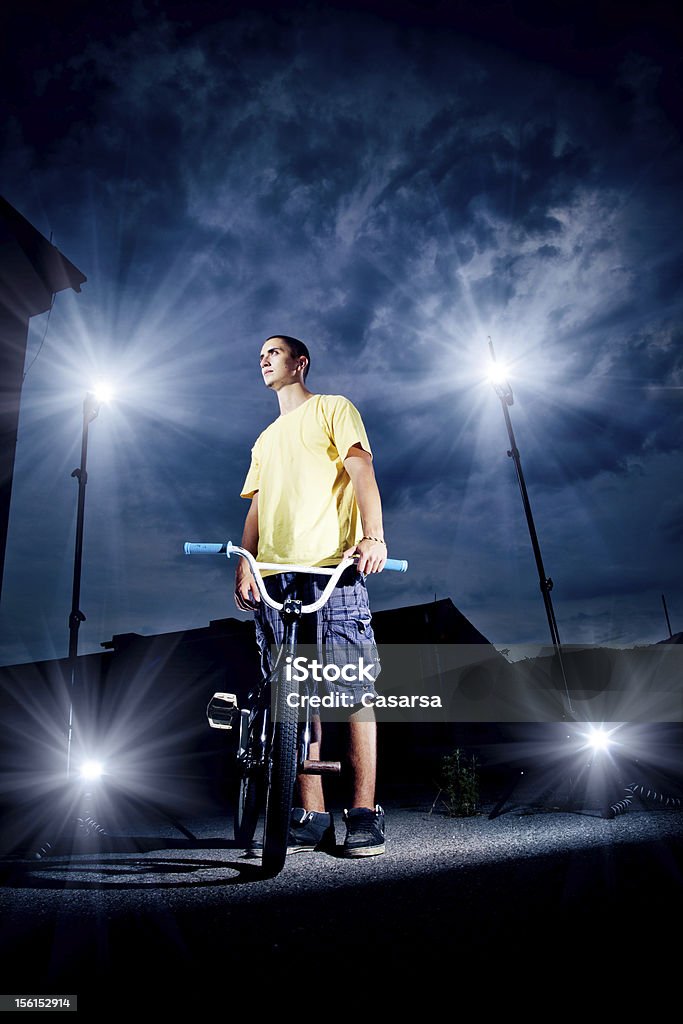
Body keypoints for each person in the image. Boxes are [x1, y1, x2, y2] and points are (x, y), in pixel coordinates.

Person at [235, 334, 387, 857]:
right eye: (260, 355)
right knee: (296, 699)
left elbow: (360, 467)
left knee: (353, 693)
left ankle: (364, 815)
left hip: (332, 570)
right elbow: (256, 509)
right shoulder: (263, 440)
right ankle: (311, 817)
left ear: (299, 363)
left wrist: (374, 534)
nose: (264, 359)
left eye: (273, 352)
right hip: (276, 578)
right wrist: (245, 563)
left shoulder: (333, 408)